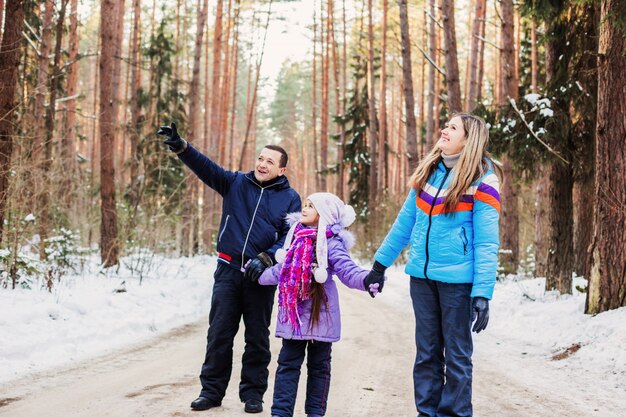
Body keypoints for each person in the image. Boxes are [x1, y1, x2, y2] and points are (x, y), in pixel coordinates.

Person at [157, 122, 302, 413]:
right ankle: (211, 392)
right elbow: (206, 168)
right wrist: (181, 147)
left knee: (257, 338)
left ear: (281, 170)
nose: (262, 164)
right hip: (227, 271)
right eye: (260, 158)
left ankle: (252, 394)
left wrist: (269, 257)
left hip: (260, 278)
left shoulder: (290, 198)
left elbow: (291, 237)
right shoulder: (236, 183)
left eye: (269, 161)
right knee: (219, 334)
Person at [367, 113, 502, 417]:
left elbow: (486, 242)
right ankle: (426, 413)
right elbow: (405, 223)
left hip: (458, 284)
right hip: (422, 279)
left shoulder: (483, 179)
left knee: (456, 357)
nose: (444, 130)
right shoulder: (429, 172)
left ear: (469, 139)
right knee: (427, 354)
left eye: (453, 128)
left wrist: (482, 292)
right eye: (446, 125)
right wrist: (379, 264)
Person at [252, 192, 382, 417]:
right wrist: (258, 275)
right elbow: (281, 271)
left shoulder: (332, 243)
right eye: (305, 204)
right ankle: (281, 413)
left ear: (324, 215)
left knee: (320, 368)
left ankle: (315, 413)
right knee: (287, 366)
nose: (304, 208)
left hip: (320, 313)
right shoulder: (294, 238)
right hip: (294, 313)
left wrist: (366, 279)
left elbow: (346, 269)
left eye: (311, 206)